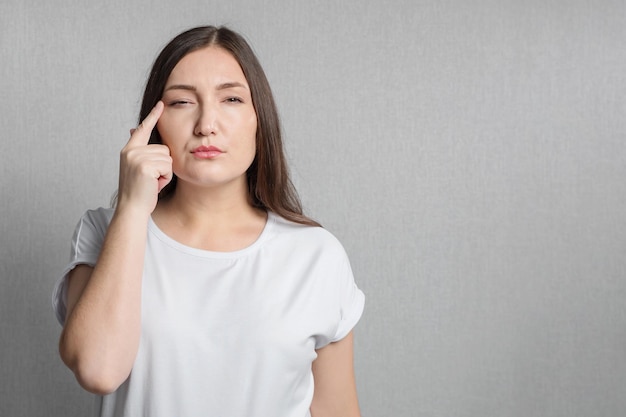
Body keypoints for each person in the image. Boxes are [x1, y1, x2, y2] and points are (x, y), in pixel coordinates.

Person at [52, 25, 365, 417]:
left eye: (232, 98)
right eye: (182, 103)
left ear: (258, 119)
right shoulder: (104, 232)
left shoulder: (316, 256)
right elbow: (98, 370)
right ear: (153, 124)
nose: (207, 125)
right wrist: (132, 209)